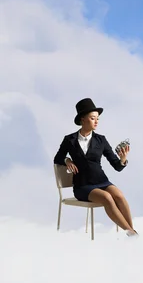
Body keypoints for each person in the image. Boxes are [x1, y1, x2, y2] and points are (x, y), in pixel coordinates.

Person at [53, 98, 138, 237]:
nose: (96, 121)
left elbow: (117, 166)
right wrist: (67, 160)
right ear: (83, 119)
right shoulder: (69, 140)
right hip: (83, 186)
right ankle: (131, 233)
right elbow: (57, 158)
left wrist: (123, 160)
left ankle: (132, 233)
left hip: (102, 181)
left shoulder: (101, 140)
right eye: (93, 118)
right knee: (107, 198)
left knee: (119, 196)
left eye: (97, 118)